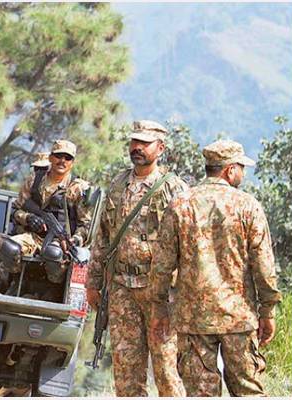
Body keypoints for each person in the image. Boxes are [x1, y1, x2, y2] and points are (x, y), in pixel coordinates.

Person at [149, 139, 281, 396]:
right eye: (241, 167)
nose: (242, 173)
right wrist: (268, 310)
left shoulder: (180, 205)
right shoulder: (248, 206)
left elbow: (162, 265)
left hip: (193, 320)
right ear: (230, 170)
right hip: (238, 319)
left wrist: (158, 308)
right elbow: (264, 266)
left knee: (201, 394)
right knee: (248, 392)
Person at [86, 120, 187, 397]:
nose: (137, 148)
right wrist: (93, 283)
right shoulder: (118, 184)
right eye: (134, 142)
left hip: (159, 293)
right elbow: (103, 237)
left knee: (167, 368)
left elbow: (188, 243)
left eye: (145, 143)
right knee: (126, 369)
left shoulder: (173, 189)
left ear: (161, 148)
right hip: (121, 288)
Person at [0, 140, 92, 295]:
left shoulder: (79, 188)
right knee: (9, 248)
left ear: (72, 162)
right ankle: (14, 279)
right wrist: (28, 218)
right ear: (51, 157)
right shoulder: (34, 180)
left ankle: (51, 292)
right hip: (32, 237)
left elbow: (85, 225)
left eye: (67, 158)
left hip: (60, 243)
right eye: (58, 156)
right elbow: (16, 210)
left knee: (54, 254)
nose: (62, 161)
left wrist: (74, 240)